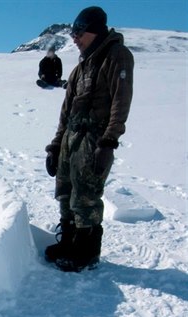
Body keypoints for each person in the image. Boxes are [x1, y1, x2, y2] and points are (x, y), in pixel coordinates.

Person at [44, 6, 133, 272]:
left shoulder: (117, 56)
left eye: (79, 32)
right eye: (73, 32)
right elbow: (66, 111)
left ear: (94, 30)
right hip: (72, 137)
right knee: (65, 191)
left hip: (95, 139)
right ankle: (69, 241)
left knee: (86, 194)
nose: (74, 38)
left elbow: (121, 101)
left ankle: (86, 250)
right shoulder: (80, 67)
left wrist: (108, 142)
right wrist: (55, 145)